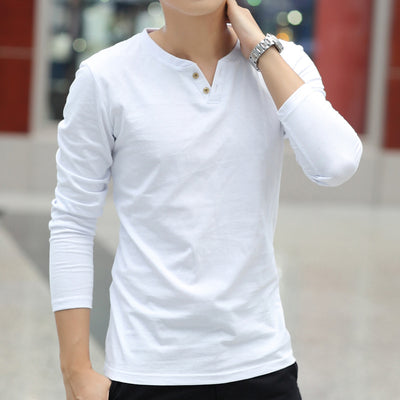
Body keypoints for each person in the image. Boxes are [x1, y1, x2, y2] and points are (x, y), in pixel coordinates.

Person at [49, 0, 363, 399]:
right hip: (149, 368)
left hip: (261, 362)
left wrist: (260, 51)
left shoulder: (282, 62)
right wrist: (75, 371)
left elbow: (336, 163)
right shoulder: (106, 76)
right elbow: (73, 221)